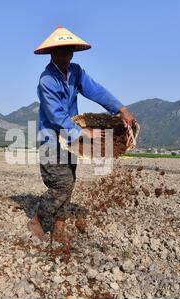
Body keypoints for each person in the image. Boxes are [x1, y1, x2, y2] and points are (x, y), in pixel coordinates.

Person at [29, 26, 137, 244]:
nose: (67, 56)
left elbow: (95, 90)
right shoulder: (47, 81)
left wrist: (120, 109)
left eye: (70, 51)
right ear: (52, 53)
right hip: (51, 139)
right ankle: (37, 219)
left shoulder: (76, 72)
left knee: (70, 181)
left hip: (71, 141)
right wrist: (82, 132)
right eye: (62, 52)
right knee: (61, 184)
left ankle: (59, 226)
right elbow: (56, 114)